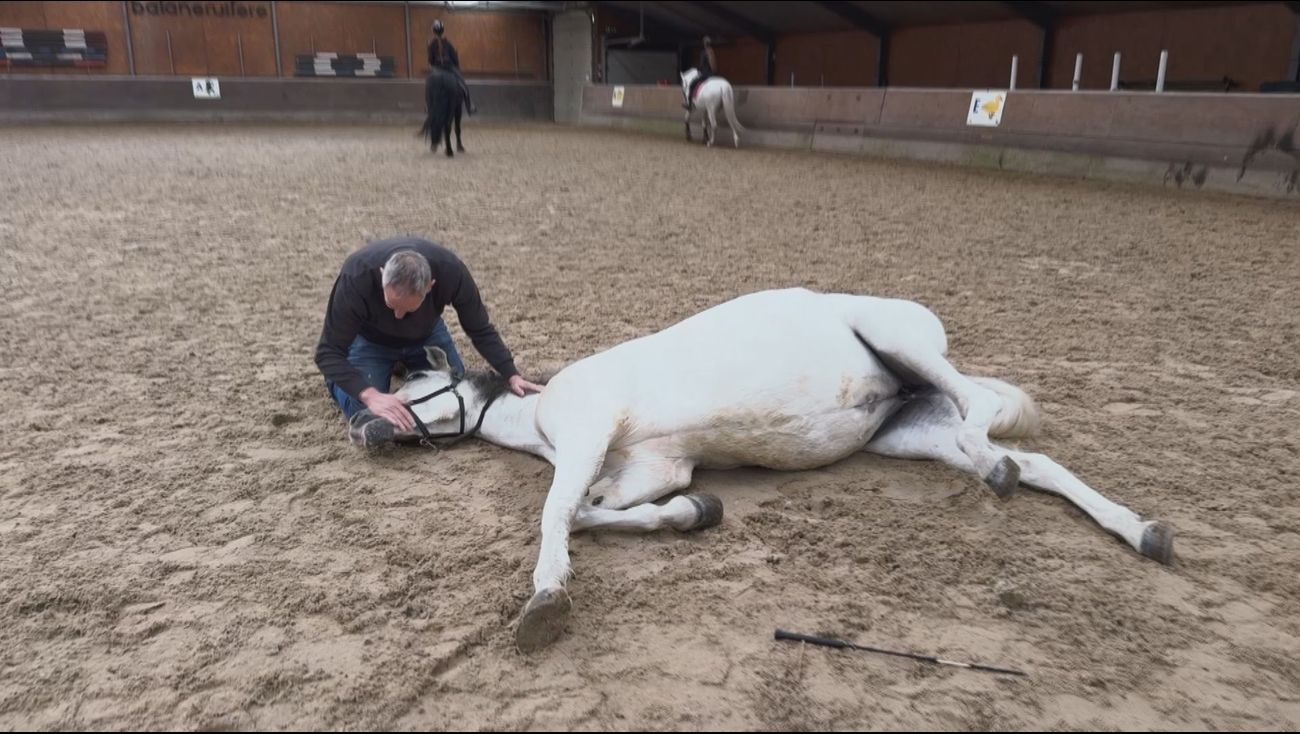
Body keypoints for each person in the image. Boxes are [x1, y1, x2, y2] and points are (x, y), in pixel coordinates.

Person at [315, 236, 542, 445]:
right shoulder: (357, 276)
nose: (398, 317)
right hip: (370, 341)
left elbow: (480, 329)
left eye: (408, 310)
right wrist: (371, 395)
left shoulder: (451, 272)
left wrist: (511, 374)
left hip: (425, 335)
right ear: (382, 274)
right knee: (365, 411)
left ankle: (402, 367)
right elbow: (328, 352)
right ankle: (353, 380)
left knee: (455, 396)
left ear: (430, 287)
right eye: (392, 306)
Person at [428, 19, 477, 115]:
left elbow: (430, 60)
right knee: (463, 84)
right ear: (443, 30)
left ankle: (427, 105)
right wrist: (456, 66)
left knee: (429, 85)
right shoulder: (448, 43)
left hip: (437, 68)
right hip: (449, 67)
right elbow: (455, 58)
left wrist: (434, 64)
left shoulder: (431, 45)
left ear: (433, 31)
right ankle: (470, 105)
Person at [684, 36, 718, 111]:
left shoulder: (705, 52)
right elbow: (713, 65)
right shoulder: (711, 51)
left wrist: (699, 69)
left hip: (705, 73)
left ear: (704, 44)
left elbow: (704, 65)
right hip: (711, 73)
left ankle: (689, 104)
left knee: (692, 84)